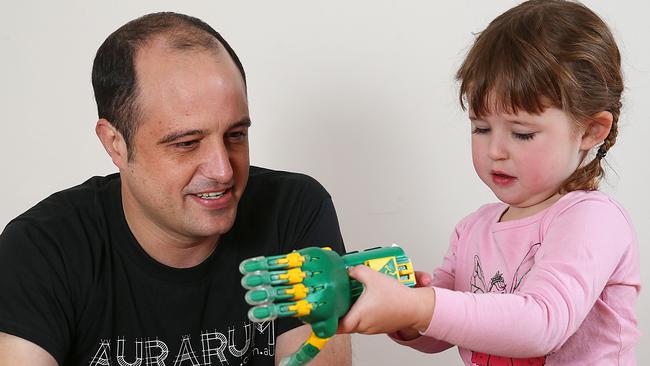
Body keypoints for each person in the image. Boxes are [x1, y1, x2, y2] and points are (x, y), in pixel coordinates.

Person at [0, 12, 351, 366]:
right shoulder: (42, 249)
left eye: (236, 135)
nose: (223, 170)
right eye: (186, 143)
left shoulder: (294, 212)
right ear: (115, 144)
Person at [337, 0, 640, 364]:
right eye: (481, 128)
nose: (496, 150)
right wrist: (405, 315)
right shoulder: (474, 229)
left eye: (523, 134)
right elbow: (446, 327)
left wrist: (419, 306)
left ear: (591, 131)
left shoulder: (592, 219)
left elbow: (542, 323)